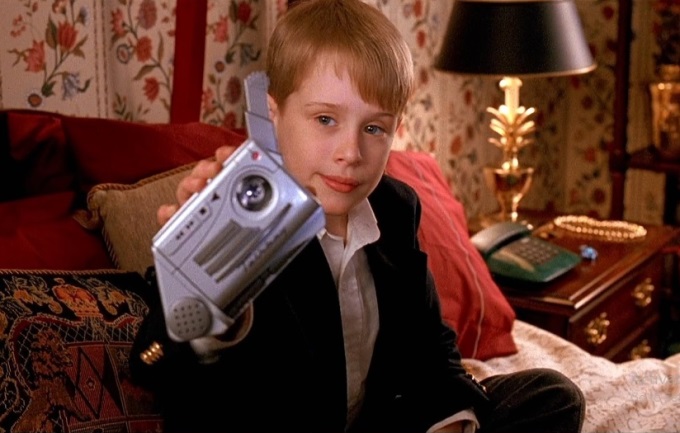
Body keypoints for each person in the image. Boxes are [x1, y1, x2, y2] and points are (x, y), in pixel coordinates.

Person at [129, 0, 586, 432]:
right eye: (325, 119)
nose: (350, 153)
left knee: (551, 396)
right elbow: (153, 364)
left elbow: (433, 353)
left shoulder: (395, 207)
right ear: (273, 114)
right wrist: (209, 291)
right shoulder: (242, 221)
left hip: (372, 423)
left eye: (373, 128)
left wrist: (452, 424)